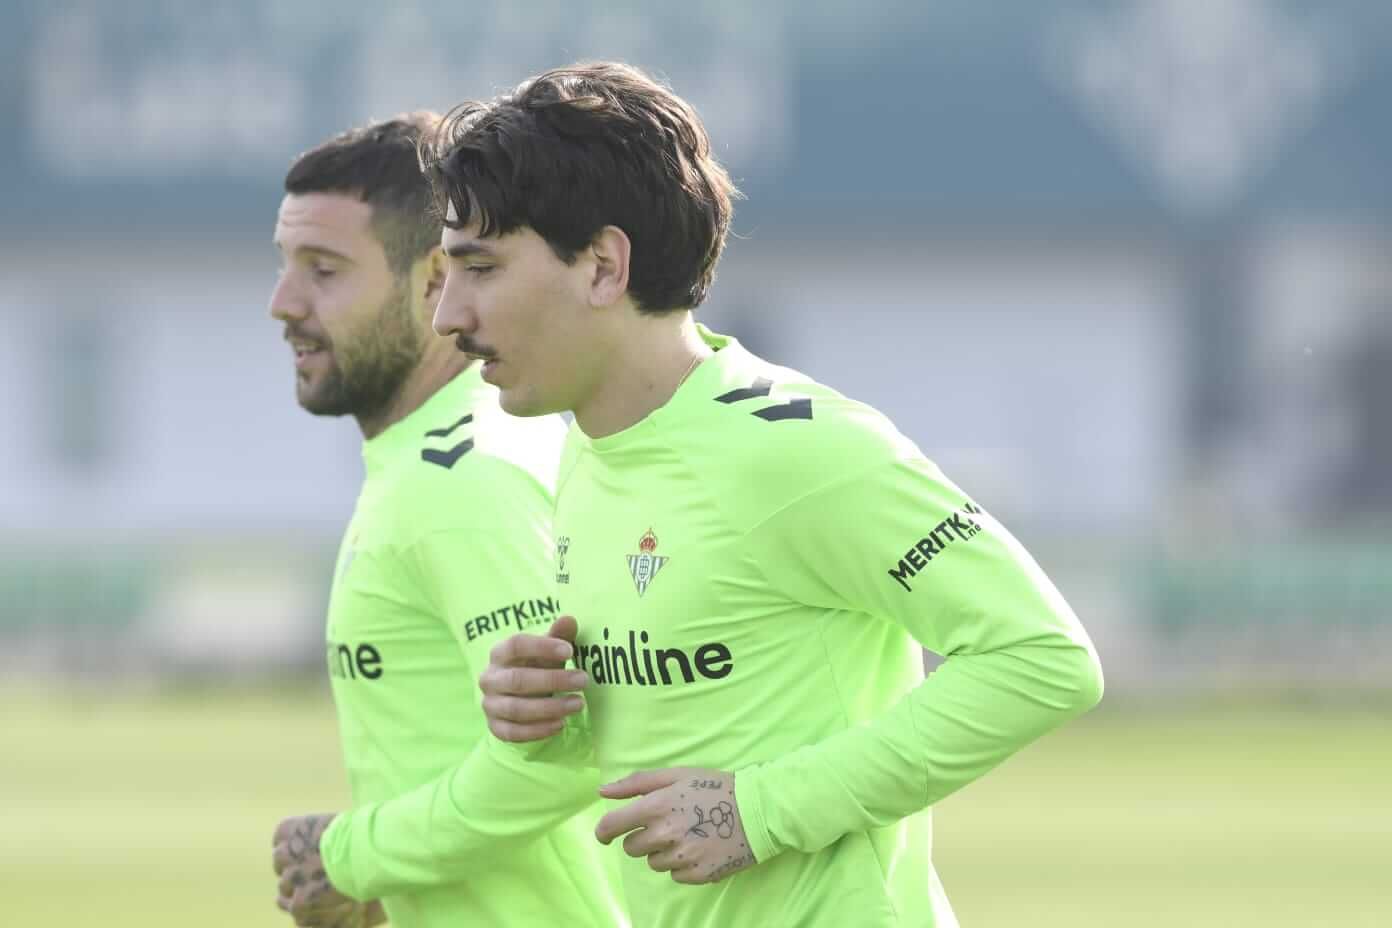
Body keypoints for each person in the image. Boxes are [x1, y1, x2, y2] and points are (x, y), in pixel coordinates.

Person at [422, 62, 1105, 927]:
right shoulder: (587, 451)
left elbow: (1044, 659)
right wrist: (553, 715)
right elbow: (691, 715)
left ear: (602, 265)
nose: (447, 316)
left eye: (478, 268)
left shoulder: (799, 448)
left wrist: (762, 812)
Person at [267, 113, 627, 928]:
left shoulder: (467, 480)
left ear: (435, 279)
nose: (282, 304)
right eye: (285, 266)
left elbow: (563, 758)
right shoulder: (428, 459)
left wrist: (351, 855)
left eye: (323, 272)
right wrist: (387, 885)